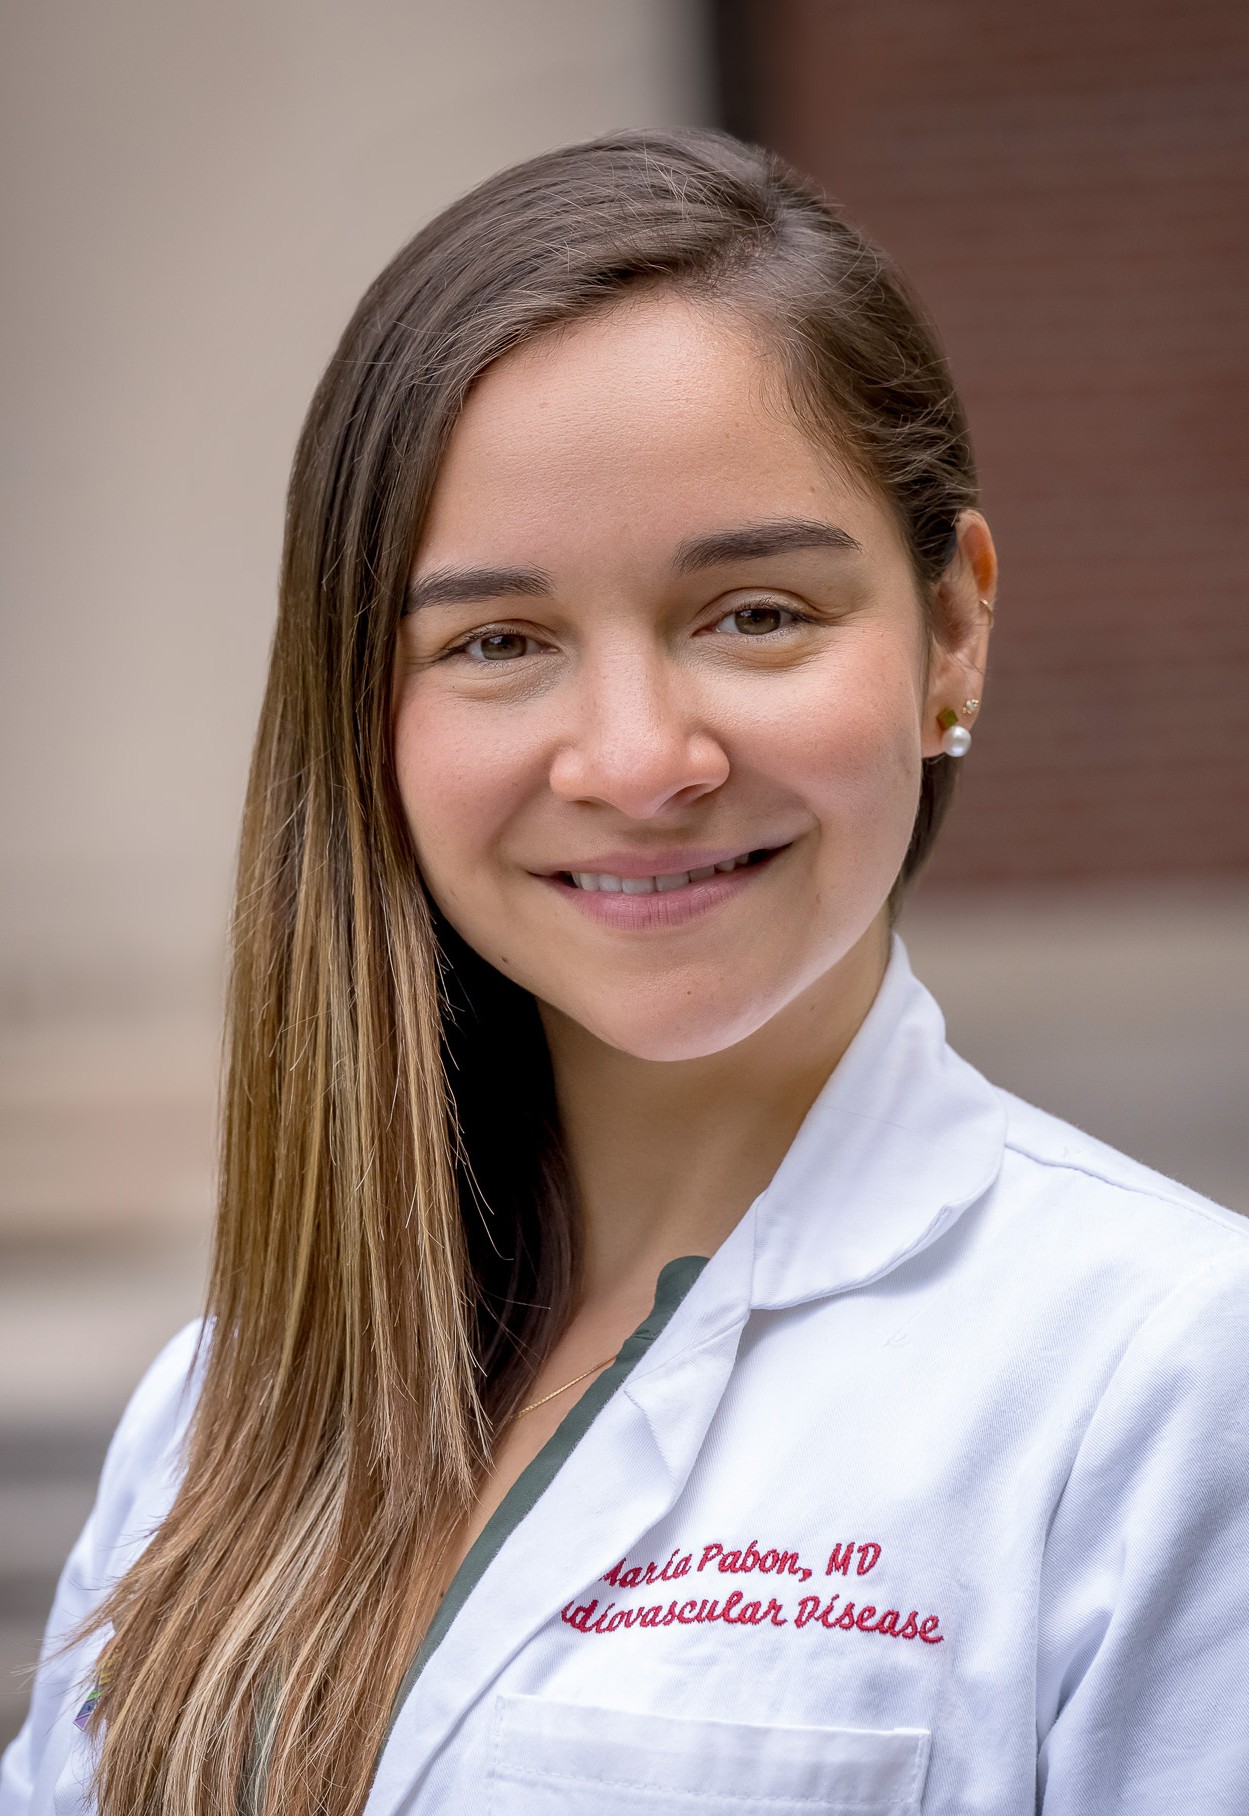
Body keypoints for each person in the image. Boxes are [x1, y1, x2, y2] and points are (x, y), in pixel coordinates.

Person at [3, 127, 1247, 1816]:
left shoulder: (1167, 1378)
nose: (640, 761)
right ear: (363, 712)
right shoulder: (217, 1412)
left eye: (754, 613)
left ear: (952, 629)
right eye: (498, 643)